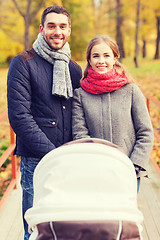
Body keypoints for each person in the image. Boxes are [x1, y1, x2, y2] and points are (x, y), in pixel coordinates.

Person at [7, 5, 82, 240]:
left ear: (69, 30)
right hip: (36, 162)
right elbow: (19, 117)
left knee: (67, 227)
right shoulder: (23, 63)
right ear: (42, 29)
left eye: (62, 26)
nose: (57, 31)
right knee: (36, 229)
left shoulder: (74, 69)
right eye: (51, 26)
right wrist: (52, 155)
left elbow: (81, 112)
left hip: (70, 160)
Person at [72, 34, 154, 192]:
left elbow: (145, 132)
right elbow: (80, 134)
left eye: (106, 55)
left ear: (115, 58)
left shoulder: (131, 90)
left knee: (124, 216)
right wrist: (96, 165)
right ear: (89, 60)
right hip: (95, 173)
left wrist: (133, 166)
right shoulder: (80, 95)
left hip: (128, 172)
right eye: (95, 56)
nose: (101, 61)